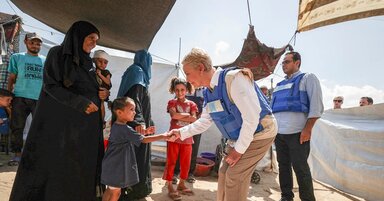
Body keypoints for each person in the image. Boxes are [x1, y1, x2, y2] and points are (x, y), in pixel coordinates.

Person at [10, 21, 110, 201]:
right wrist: (79, 103)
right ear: (78, 36)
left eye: (96, 40)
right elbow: (51, 85)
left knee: (77, 170)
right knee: (55, 167)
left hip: (83, 130)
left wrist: (102, 93)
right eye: (91, 38)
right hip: (60, 128)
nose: (94, 43)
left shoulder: (88, 62)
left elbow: (90, 87)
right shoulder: (58, 54)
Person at [170, 47, 277, 201]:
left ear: (200, 68)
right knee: (223, 173)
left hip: (260, 133)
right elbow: (204, 121)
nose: (186, 79)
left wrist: (239, 150)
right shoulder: (208, 92)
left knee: (235, 175)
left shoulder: (234, 79)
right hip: (241, 135)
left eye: (187, 73)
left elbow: (252, 118)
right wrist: (180, 133)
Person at [271, 51, 323, 201]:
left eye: (287, 62)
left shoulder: (308, 78)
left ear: (297, 63)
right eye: (282, 63)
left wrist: (308, 129)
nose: (283, 65)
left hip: (298, 134)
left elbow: (316, 106)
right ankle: (286, 197)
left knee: (300, 168)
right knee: (283, 167)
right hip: (279, 135)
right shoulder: (279, 85)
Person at [101, 97, 171, 201]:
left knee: (110, 190)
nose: (134, 112)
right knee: (116, 193)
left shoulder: (118, 126)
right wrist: (163, 136)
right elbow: (144, 140)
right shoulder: (124, 128)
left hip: (112, 165)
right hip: (117, 167)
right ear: (119, 112)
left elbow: (132, 136)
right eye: (131, 110)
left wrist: (145, 132)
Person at [117, 49, 154, 200]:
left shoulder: (135, 73)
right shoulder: (137, 71)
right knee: (135, 158)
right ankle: (133, 190)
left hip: (138, 123)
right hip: (136, 126)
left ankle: (137, 188)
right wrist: (139, 121)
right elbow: (133, 98)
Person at [7, 32, 45, 165]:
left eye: (38, 43)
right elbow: (12, 78)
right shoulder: (17, 57)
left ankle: (34, 155)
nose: (35, 45)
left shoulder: (45, 60)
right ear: (26, 42)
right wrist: (9, 95)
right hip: (19, 97)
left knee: (39, 127)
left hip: (38, 98)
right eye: (32, 42)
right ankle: (17, 155)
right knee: (17, 127)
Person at [163, 77, 197, 200]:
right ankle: (170, 186)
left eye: (182, 90)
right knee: (171, 161)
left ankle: (181, 184)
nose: (180, 92)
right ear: (174, 90)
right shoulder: (172, 103)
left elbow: (194, 119)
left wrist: (181, 116)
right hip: (173, 137)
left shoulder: (192, 104)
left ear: (187, 90)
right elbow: (174, 115)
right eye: (177, 90)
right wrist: (187, 115)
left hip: (187, 137)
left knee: (186, 163)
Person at [173, 87, 205, 184]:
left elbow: (207, 107)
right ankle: (174, 173)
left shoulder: (205, 91)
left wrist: (200, 117)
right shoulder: (184, 89)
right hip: (182, 123)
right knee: (178, 148)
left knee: (193, 149)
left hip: (197, 124)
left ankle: (190, 173)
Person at [93, 49, 112, 127]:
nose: (102, 64)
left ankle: (102, 120)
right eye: (100, 61)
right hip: (95, 91)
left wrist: (100, 75)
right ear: (94, 61)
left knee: (101, 105)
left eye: (105, 62)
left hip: (102, 90)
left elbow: (108, 82)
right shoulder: (92, 70)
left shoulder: (106, 72)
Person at [0, 89, 14, 157]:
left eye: (11, 100)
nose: (10, 102)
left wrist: (9, 109)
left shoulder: (5, 108)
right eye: (8, 100)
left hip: (4, 129)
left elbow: (11, 118)